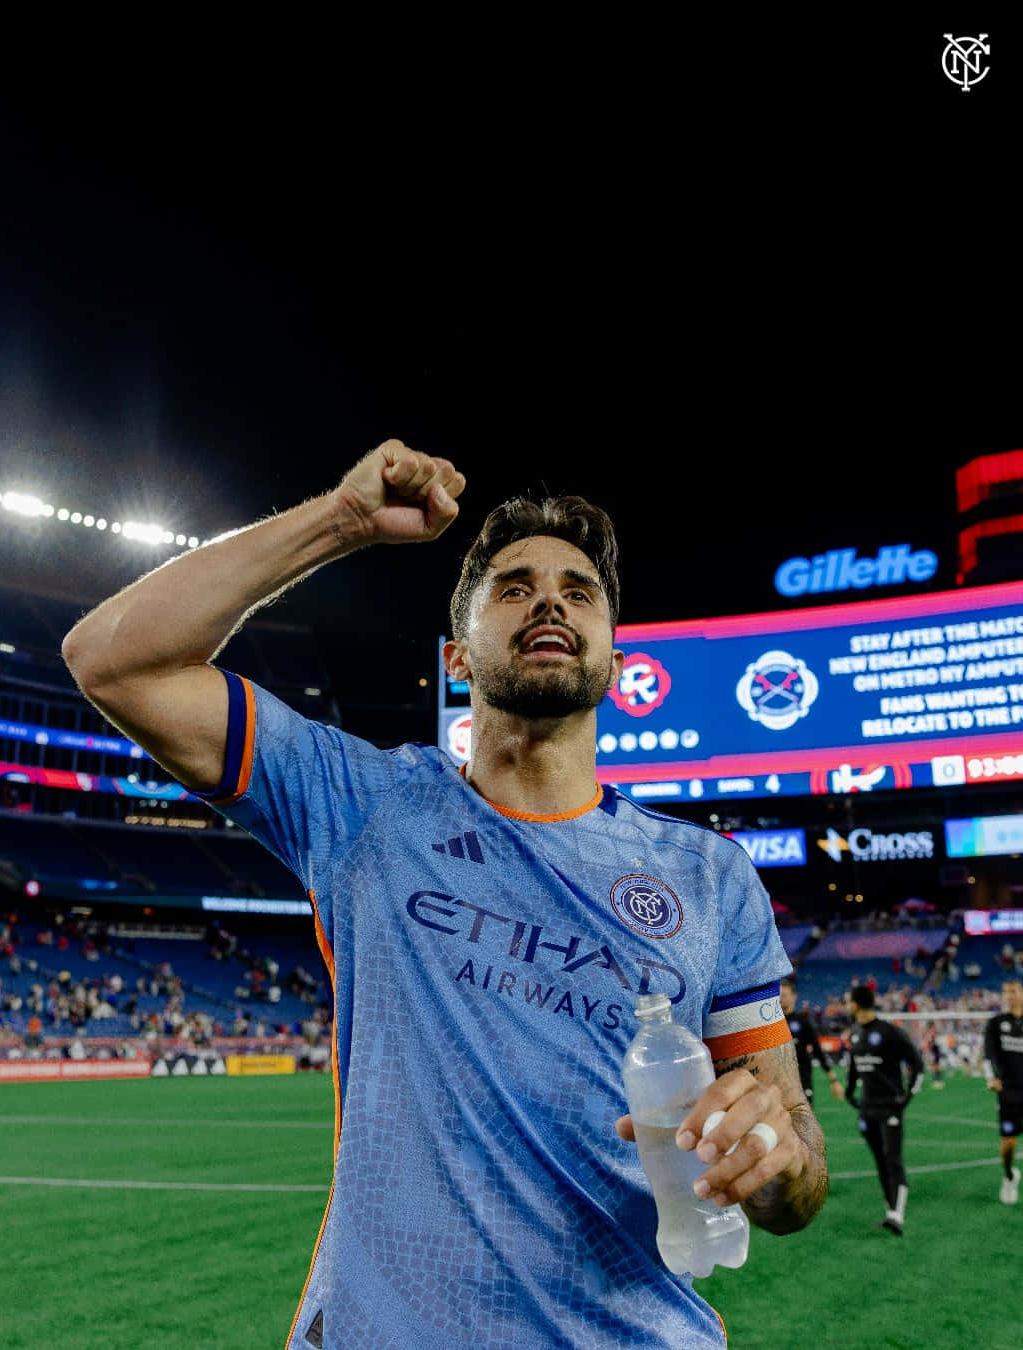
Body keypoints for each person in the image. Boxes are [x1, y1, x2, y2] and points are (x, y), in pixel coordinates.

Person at [62, 439, 827, 1349]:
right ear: (458, 658)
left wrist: (776, 1158)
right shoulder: (361, 806)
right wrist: (341, 520)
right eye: (514, 588)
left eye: (579, 592)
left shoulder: (710, 875)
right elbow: (112, 660)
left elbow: (798, 1173)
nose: (549, 602)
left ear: (617, 665)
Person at [844, 984, 924, 1235]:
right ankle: (890, 1210)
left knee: (893, 1159)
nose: (846, 1006)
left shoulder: (890, 1032)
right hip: (867, 1109)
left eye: (848, 1001)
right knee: (880, 1160)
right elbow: (855, 1067)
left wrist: (908, 1095)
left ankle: (897, 1215)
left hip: (890, 1108)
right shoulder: (855, 1033)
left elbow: (917, 1063)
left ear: (856, 1004)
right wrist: (850, 1093)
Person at [983, 978, 1023, 1204]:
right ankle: (1009, 1176)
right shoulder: (996, 1023)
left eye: (1014, 991)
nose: (1010, 996)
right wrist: (991, 1078)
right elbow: (988, 1054)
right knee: (1008, 1144)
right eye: (1006, 992)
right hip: (1009, 1093)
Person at [780, 975, 844, 1108]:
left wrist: (833, 1080)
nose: (781, 998)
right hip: (778, 1082)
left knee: (804, 1119)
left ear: (794, 997)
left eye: (784, 995)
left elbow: (817, 1050)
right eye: (779, 995)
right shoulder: (772, 1024)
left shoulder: (803, 1021)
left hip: (802, 1080)